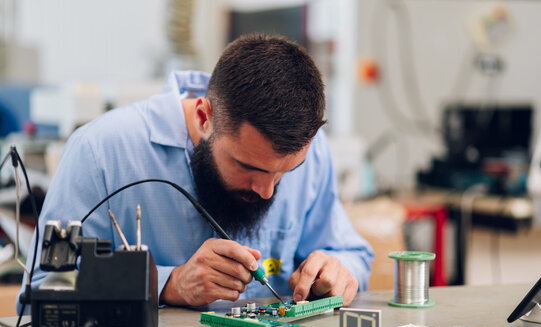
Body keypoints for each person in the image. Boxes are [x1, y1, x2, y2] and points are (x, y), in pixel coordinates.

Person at [17, 34, 373, 312]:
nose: (266, 191)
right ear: (204, 117)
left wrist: (339, 271)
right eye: (247, 166)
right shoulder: (100, 152)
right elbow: (41, 294)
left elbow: (351, 254)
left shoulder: (314, 151)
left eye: (284, 172)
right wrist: (167, 286)